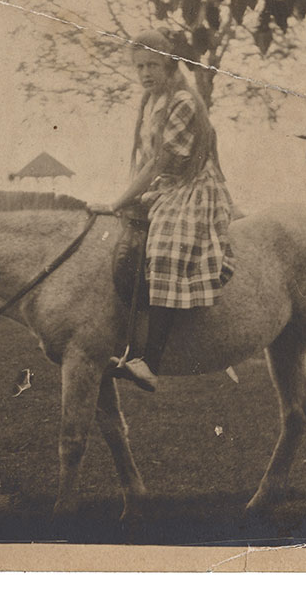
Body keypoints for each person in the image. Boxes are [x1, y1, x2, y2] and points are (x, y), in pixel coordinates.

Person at [92, 30, 235, 392]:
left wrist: (119, 199)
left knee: (166, 246)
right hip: (164, 186)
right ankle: (121, 341)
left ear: (169, 64)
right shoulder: (149, 101)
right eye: (139, 66)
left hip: (193, 187)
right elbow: (144, 160)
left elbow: (159, 161)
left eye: (152, 64)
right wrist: (126, 200)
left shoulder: (183, 100)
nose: (145, 73)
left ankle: (150, 360)